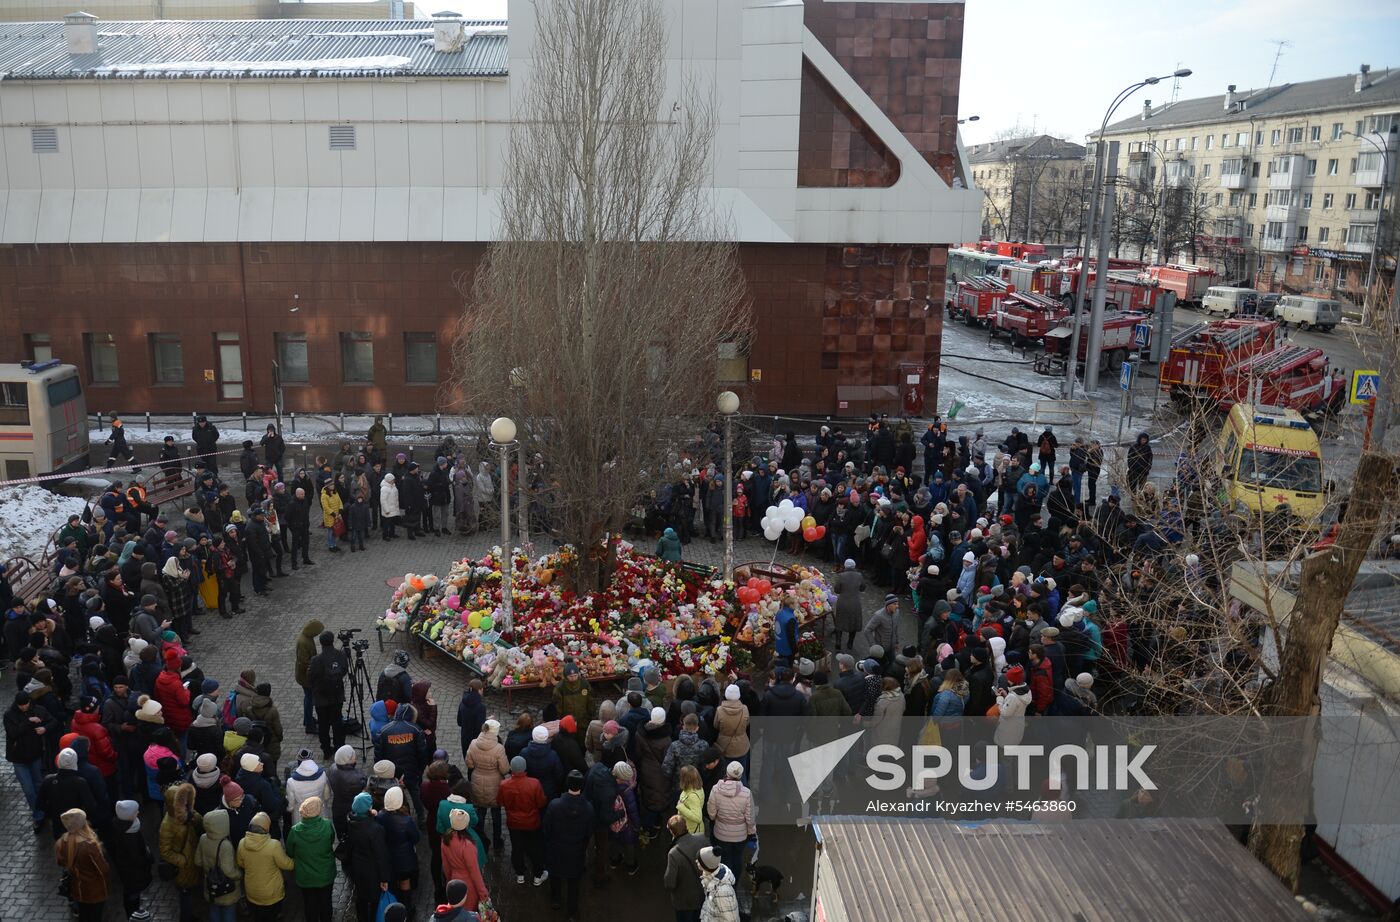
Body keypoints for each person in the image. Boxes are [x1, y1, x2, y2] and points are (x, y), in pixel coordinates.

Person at [543, 770, 594, 922]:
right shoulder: (588, 808)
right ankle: (572, 911)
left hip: (556, 849)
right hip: (576, 851)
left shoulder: (554, 805)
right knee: (573, 883)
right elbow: (589, 832)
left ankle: (556, 900)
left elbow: (546, 828)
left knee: (555, 876)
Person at [5, 689, 57, 831]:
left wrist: (44, 728)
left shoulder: (38, 710)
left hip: (35, 756)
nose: (24, 707)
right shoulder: (9, 715)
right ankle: (39, 815)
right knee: (28, 789)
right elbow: (13, 733)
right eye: (21, 705)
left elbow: (53, 721)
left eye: (26, 704)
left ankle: (43, 810)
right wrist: (28, 721)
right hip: (19, 759)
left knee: (39, 785)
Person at [498, 755, 548, 886]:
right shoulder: (534, 783)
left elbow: (501, 801)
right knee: (535, 848)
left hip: (514, 823)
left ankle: (520, 874)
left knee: (517, 848)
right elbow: (541, 802)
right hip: (532, 822)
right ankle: (538, 875)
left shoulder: (504, 785)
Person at [237, 811, 296, 922]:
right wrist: (297, 862)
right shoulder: (273, 845)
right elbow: (286, 864)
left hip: (252, 892)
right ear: (266, 827)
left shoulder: (242, 843)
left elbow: (241, 864)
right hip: (271, 894)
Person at [55, 808, 111, 922]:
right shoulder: (89, 846)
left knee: (84, 916)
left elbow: (60, 862)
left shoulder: (62, 841)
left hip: (78, 889)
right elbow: (103, 869)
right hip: (94, 890)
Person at [346, 793, 392, 922]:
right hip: (372, 870)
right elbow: (381, 856)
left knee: (361, 897)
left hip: (357, 865)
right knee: (374, 900)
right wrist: (384, 878)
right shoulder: (375, 829)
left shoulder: (350, 820)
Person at [705, 762, 754, 885]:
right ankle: (734, 883)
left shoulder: (716, 789)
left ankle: (724, 883)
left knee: (724, 859)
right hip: (740, 836)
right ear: (740, 775)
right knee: (737, 858)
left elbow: (711, 813)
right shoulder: (747, 793)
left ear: (727, 773)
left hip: (720, 833)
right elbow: (750, 818)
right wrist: (751, 832)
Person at [465, 718, 510, 851]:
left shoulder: (473, 743)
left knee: (480, 811)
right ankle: (497, 842)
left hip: (477, 781)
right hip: (495, 784)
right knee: (496, 813)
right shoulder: (499, 748)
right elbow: (504, 769)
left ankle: (480, 839)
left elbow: (469, 764)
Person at [160, 782, 202, 922]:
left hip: (193, 861)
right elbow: (165, 852)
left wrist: (194, 816)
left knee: (191, 892)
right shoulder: (167, 825)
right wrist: (184, 861)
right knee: (186, 895)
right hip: (184, 868)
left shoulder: (187, 813)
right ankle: (186, 918)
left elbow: (200, 824)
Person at [196, 807, 243, 922]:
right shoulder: (225, 845)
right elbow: (228, 871)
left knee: (214, 910)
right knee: (228, 912)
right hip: (227, 889)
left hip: (211, 885)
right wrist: (239, 875)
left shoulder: (203, 838)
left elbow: (197, 861)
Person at [307, 630, 349, 760]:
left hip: (321, 698)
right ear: (332, 641)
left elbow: (310, 677)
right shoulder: (340, 654)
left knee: (323, 725)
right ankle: (339, 748)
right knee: (337, 722)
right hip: (336, 695)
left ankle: (326, 750)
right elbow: (344, 670)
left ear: (321, 643)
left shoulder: (316, 659)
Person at [379, 786, 421, 910]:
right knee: (405, 883)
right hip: (405, 859)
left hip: (388, 857)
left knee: (393, 882)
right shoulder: (407, 820)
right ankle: (407, 908)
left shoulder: (380, 816)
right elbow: (416, 838)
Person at [440, 806, 490, 909]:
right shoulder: (467, 845)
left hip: (454, 879)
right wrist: (483, 893)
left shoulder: (445, 840)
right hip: (468, 885)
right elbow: (474, 871)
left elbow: (446, 866)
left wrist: (450, 881)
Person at [111, 799, 153, 917]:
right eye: (135, 811)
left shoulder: (123, 825)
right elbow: (137, 858)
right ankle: (132, 915)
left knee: (131, 892)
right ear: (129, 815)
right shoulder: (130, 835)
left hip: (127, 870)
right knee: (133, 894)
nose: (138, 812)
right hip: (133, 872)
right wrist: (147, 859)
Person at [664, 813, 708, 922]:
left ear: (672, 832)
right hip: (702, 894)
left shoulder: (674, 853)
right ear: (686, 826)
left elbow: (669, 883)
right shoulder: (702, 839)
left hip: (684, 901)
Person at [609, 761, 642, 875]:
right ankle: (630, 865)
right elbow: (632, 811)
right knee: (629, 844)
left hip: (612, 821)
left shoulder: (609, 785)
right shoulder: (627, 791)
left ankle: (614, 860)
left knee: (614, 841)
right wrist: (637, 826)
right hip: (627, 825)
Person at [697, 846, 741, 922]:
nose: (696, 861)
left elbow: (732, 919)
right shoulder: (710, 876)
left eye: (699, 861)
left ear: (705, 866)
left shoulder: (722, 892)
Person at [830, 559, 865, 652]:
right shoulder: (859, 575)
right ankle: (850, 642)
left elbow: (837, 590)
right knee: (854, 621)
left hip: (843, 602)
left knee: (840, 621)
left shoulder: (841, 575)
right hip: (855, 602)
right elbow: (862, 588)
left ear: (845, 566)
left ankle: (838, 642)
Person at [677, 765, 705, 836]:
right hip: (689, 828)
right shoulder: (697, 788)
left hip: (692, 832)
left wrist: (681, 807)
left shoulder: (692, 796)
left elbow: (698, 818)